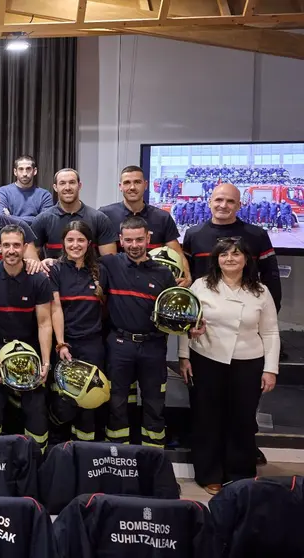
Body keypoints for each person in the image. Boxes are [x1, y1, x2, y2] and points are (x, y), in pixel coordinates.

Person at [178, 237, 279, 494]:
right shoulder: (201, 286)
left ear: (247, 259)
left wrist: (270, 369)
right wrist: (184, 356)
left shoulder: (260, 290)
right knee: (207, 419)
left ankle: (241, 474)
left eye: (236, 254)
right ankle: (209, 473)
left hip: (249, 362)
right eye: (224, 255)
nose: (230, 259)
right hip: (207, 359)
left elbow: (270, 333)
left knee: (242, 420)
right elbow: (186, 324)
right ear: (216, 259)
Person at [0, 225, 53, 451]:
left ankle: (37, 458)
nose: (11, 250)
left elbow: (45, 322)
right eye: (6, 245)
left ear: (25, 247)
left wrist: (45, 362)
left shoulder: (38, 279)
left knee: (37, 407)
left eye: (16, 245)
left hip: (29, 353)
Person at [102, 216, 176, 447]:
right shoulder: (109, 264)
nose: (134, 245)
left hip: (153, 346)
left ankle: (154, 457)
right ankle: (117, 455)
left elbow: (175, 313)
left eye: (139, 240)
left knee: (155, 403)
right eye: (129, 240)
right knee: (117, 403)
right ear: (121, 240)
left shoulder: (164, 274)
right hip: (119, 344)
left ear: (148, 239)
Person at [48, 221, 107, 442]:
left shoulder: (101, 271)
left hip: (93, 347)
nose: (75, 244)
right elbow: (56, 310)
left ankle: (85, 453)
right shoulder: (55, 270)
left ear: (89, 243)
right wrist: (61, 343)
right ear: (63, 243)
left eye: (80, 240)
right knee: (63, 402)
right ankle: (59, 451)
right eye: (70, 240)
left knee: (88, 404)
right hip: (66, 347)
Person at [183, 182, 282, 312]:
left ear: (239, 205)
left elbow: (271, 275)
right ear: (209, 202)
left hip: (246, 313)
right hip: (203, 312)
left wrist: (271, 310)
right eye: (218, 200)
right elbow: (186, 276)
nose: (223, 205)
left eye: (230, 201)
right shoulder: (193, 234)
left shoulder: (257, 235)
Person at [100, 165, 189, 285]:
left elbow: (177, 253)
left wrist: (188, 278)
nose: (132, 187)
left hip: (153, 283)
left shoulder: (162, 217)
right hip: (118, 285)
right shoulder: (105, 215)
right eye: (127, 183)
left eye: (137, 182)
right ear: (120, 187)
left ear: (145, 185)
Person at [30, 168, 117, 269]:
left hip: (90, 279)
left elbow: (110, 262)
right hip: (55, 281)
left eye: (72, 182)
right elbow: (32, 260)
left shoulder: (99, 218)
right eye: (62, 183)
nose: (67, 187)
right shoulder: (42, 220)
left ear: (79, 186)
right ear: (55, 187)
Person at [0, 155, 54, 224]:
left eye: (28, 169)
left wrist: (10, 217)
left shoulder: (45, 195)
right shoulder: (3, 192)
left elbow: (45, 221)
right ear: (15, 172)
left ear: (35, 171)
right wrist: (34, 219)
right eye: (21, 169)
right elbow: (1, 218)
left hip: (35, 235)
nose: (24, 174)